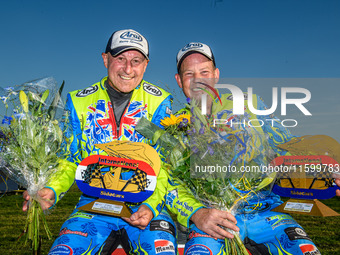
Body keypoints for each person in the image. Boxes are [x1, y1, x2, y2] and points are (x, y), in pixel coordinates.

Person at [169, 42, 340, 254]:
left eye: (204, 71)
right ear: (179, 80)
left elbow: (288, 146)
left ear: (216, 75)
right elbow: (171, 182)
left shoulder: (250, 105)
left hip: (265, 213)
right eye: (189, 74)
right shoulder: (175, 127)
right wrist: (197, 212)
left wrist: (326, 168)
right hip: (212, 221)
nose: (198, 80)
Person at [23, 29, 177, 255]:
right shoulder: (78, 101)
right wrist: (50, 190)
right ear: (105, 59)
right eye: (120, 59)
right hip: (92, 207)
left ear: (145, 65)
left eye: (136, 61)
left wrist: (150, 205)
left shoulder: (160, 102)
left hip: (144, 208)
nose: (128, 69)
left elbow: (164, 165)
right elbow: (69, 159)